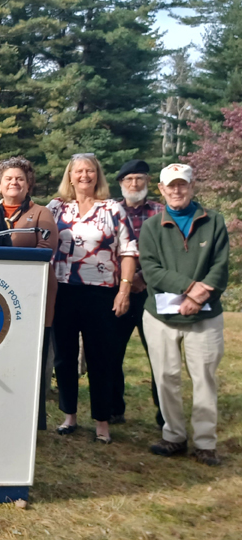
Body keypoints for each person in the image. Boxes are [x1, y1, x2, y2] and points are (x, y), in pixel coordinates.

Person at [139, 164, 228, 466]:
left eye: (182, 185)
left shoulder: (214, 221)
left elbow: (220, 265)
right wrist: (190, 288)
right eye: (170, 186)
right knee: (165, 376)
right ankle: (173, 435)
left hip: (204, 315)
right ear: (161, 190)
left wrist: (200, 295)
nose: (177, 191)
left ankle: (205, 442)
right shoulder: (151, 227)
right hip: (161, 315)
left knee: (204, 377)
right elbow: (151, 270)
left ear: (192, 187)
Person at [47, 153, 137, 444]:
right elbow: (44, 246)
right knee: (64, 356)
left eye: (90, 171)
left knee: (100, 356)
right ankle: (69, 415)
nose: (84, 176)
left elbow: (128, 252)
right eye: (78, 171)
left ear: (97, 175)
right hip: (63, 291)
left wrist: (124, 291)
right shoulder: (56, 208)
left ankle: (102, 421)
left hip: (100, 292)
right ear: (69, 176)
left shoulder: (113, 209)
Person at [0, 157, 59, 430]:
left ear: (29, 183)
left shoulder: (41, 213)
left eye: (20, 178)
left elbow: (45, 249)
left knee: (34, 355)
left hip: (34, 294)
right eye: (8, 178)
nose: (14, 183)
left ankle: (34, 420)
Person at [114, 159, 166, 428]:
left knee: (159, 353)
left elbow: (167, 252)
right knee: (112, 351)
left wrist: (142, 277)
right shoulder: (110, 210)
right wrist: (124, 280)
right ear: (121, 184)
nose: (134, 184)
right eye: (129, 179)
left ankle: (165, 415)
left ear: (148, 182)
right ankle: (113, 409)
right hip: (118, 290)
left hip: (152, 292)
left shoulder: (160, 211)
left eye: (140, 179)